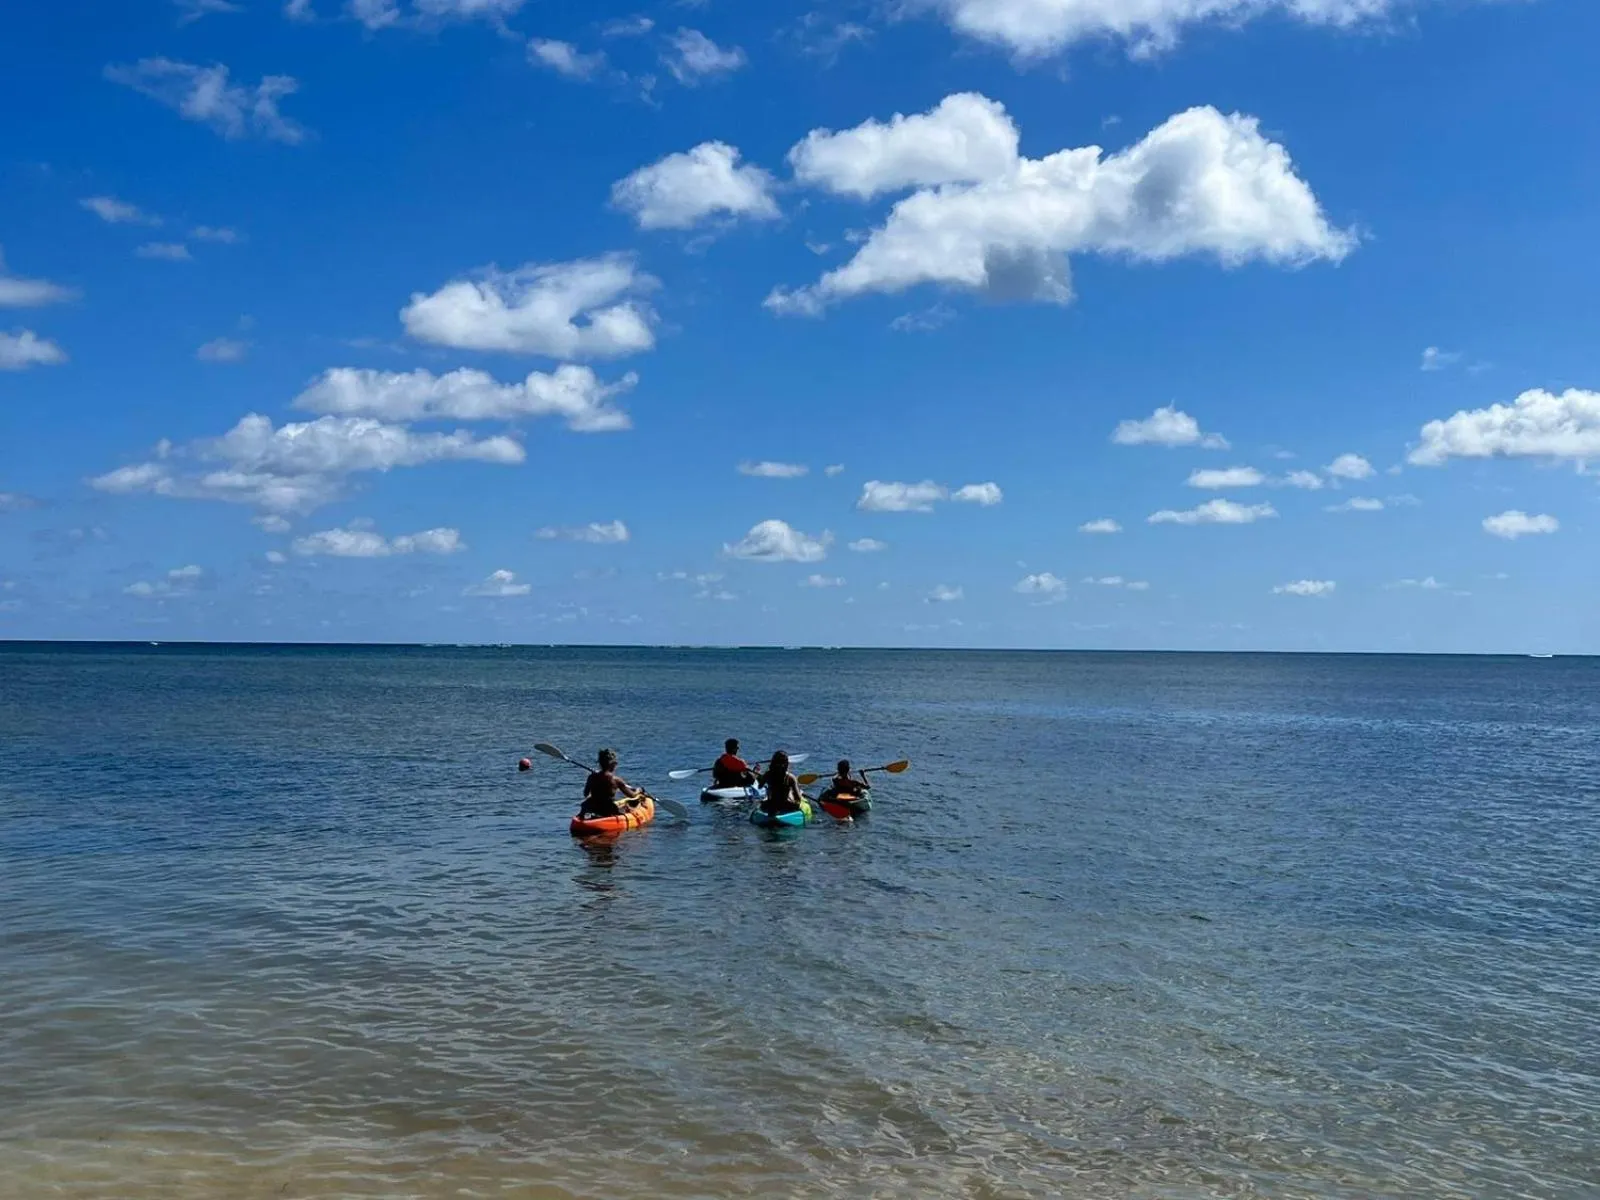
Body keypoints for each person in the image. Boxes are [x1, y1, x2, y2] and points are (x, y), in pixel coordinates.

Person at [582, 748, 642, 819]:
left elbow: (585, 794)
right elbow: (632, 795)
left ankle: (589, 817)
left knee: (589, 802)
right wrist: (639, 790)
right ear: (612, 764)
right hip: (608, 810)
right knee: (627, 808)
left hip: (594, 808)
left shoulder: (591, 777)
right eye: (615, 763)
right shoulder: (616, 780)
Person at [759, 750, 805, 816]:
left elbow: (760, 786)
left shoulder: (767, 774)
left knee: (763, 803)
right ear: (787, 764)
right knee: (796, 803)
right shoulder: (791, 777)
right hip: (786, 805)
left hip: (770, 805)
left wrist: (763, 777)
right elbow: (798, 798)